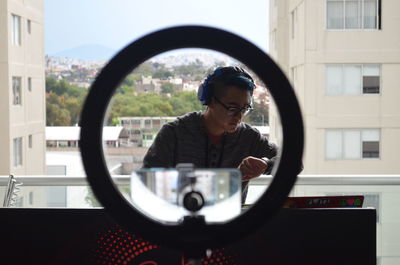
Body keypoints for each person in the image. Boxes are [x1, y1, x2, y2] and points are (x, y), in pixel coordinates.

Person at [143, 66, 278, 203]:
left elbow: (293, 163)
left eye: (244, 109)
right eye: (232, 108)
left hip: (233, 224)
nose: (239, 116)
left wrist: (266, 164)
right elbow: (148, 183)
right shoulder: (173, 134)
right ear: (210, 101)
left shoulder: (249, 137)